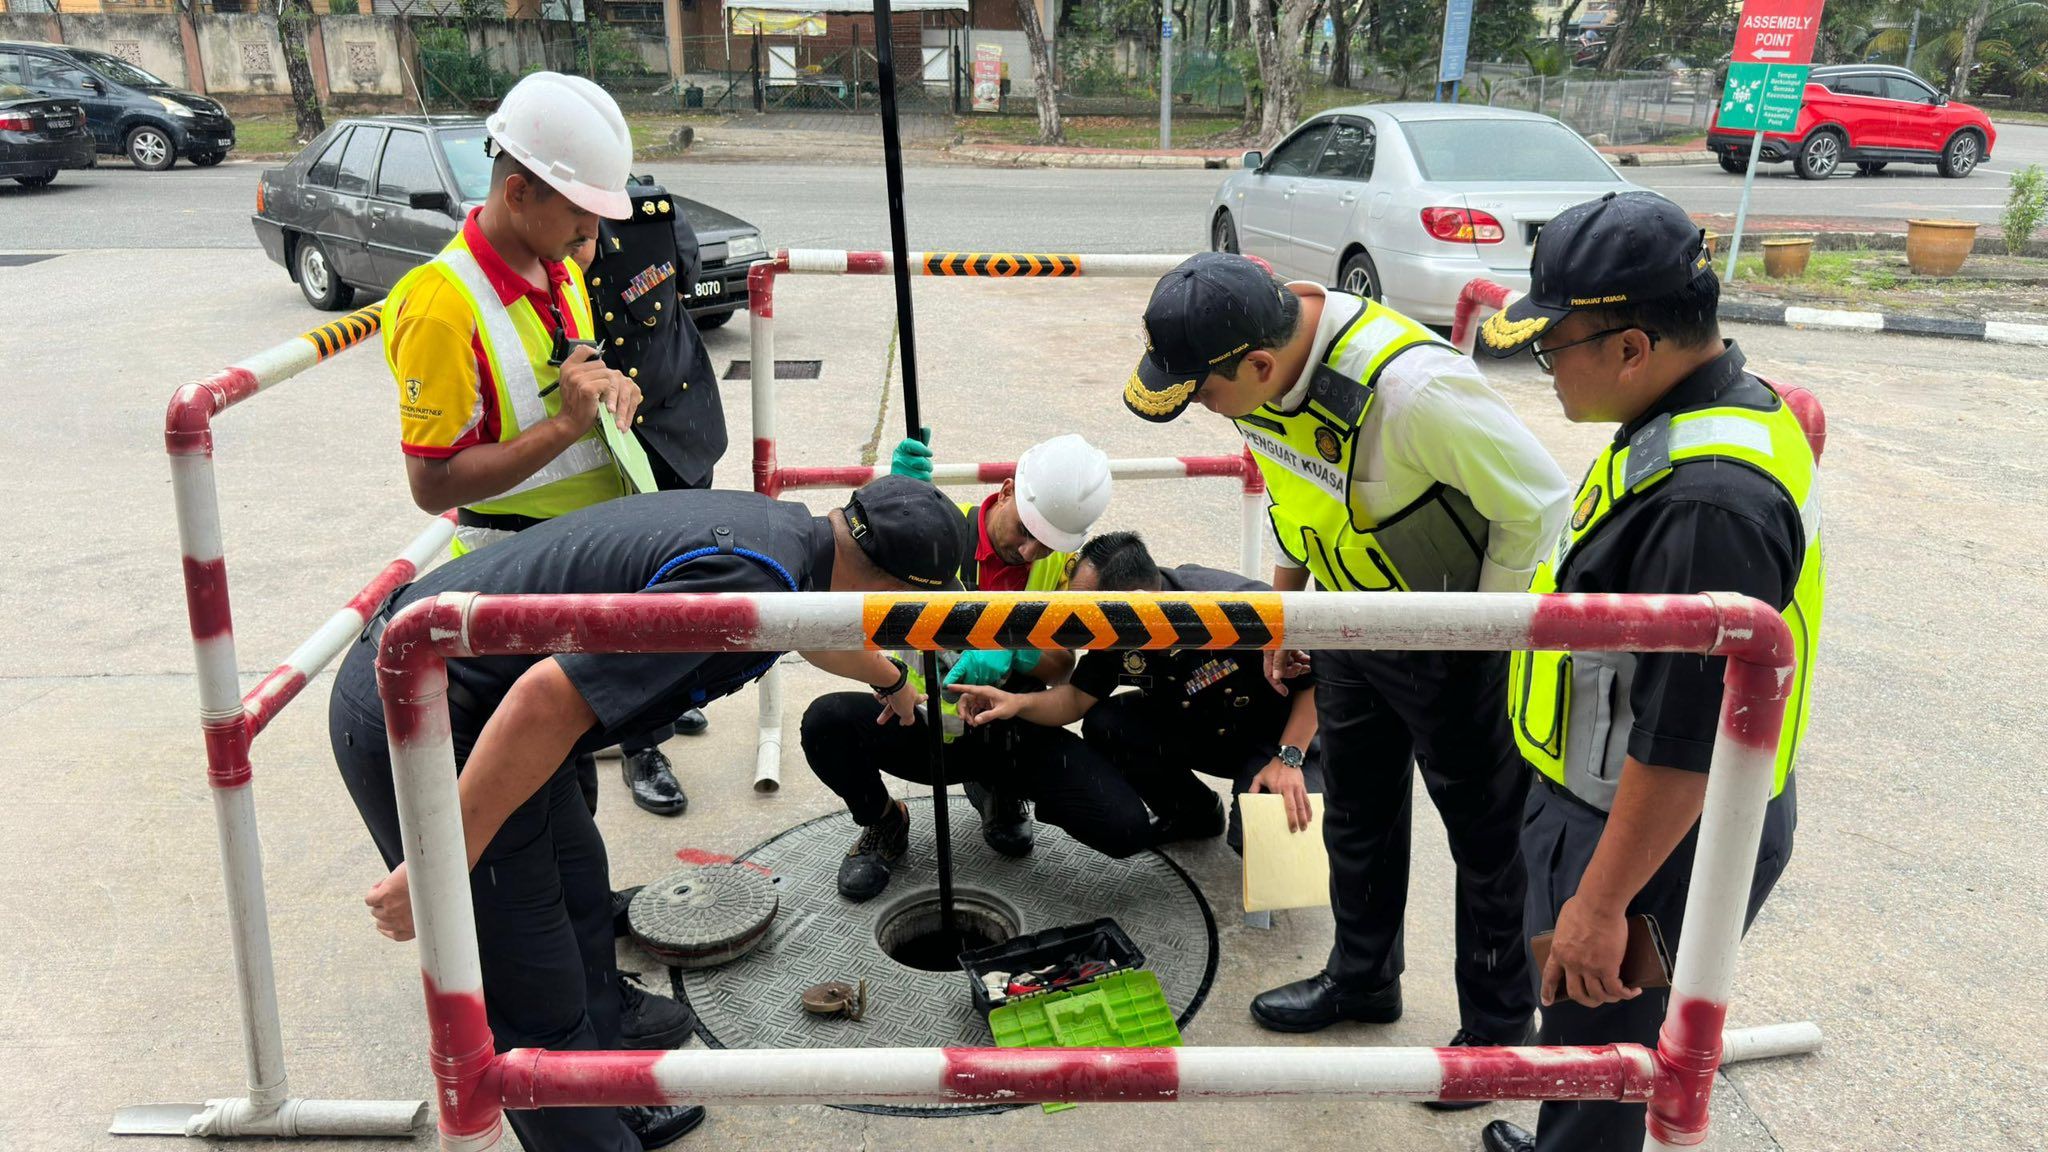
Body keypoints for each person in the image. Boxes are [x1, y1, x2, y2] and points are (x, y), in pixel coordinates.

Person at [327, 477, 971, 1152]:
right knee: (531, 992)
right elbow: (546, 701)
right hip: (427, 708)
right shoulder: (742, 580)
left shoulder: (790, 546)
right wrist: (439, 865)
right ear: (884, 586)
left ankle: (606, 1090)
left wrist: (891, 682)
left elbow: (811, 627)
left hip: (496, 702)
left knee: (580, 889)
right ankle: (587, 1134)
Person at [1123, 253, 1569, 1084]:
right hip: (1350, 618)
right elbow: (1299, 488)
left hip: (1451, 632)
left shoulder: (1413, 391)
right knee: (1357, 814)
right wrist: (1287, 609)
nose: (1205, 412)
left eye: (1208, 395)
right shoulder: (1254, 369)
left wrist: (1478, 631)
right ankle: (1364, 980)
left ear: (1259, 365)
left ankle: (1498, 1036)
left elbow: (1539, 501)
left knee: (1485, 840)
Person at [1471, 192, 1822, 1152]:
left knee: (1607, 1051)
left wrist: (1601, 902)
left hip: (1652, 835)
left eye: (1555, 345)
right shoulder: (1708, 412)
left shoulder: (1707, 502)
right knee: (1586, 1034)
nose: (1546, 369)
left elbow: (1682, 741)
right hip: (1623, 811)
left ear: (1632, 347)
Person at [379, 73, 692, 820]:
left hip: (582, 561)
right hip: (514, 576)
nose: (593, 244)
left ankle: (581, 912)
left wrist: (611, 388)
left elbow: (570, 376)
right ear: (518, 193)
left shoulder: (557, 268)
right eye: (580, 221)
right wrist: (564, 428)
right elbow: (433, 485)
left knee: (566, 775)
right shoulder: (439, 306)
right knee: (531, 789)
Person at [799, 434, 1133, 901]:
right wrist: (891, 512)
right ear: (1007, 489)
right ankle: (884, 821)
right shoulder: (928, 528)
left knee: (1121, 826)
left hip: (1006, 728)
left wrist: (1013, 646)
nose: (1030, 552)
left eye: (1046, 543)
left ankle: (996, 787)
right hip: (916, 719)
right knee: (825, 724)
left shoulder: (1063, 569)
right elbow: (843, 595)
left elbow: (1062, 667)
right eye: (1025, 531)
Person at [953, 531, 1324, 853]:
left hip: (1279, 738)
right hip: (1201, 730)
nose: (1084, 622)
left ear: (1138, 601)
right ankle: (1193, 813)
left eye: (1092, 610)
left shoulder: (1232, 606)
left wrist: (1289, 759)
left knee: (1267, 839)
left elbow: (1321, 683)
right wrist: (1014, 703)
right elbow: (1077, 699)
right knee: (1105, 723)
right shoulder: (1117, 630)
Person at [574, 173, 733, 814]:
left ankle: (673, 693)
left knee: (691, 579)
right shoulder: (532, 257)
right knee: (630, 599)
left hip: (682, 429)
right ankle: (643, 744)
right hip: (607, 450)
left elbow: (686, 300)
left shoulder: (652, 218)